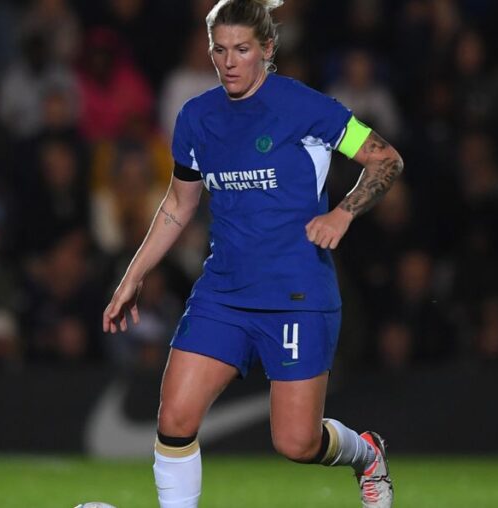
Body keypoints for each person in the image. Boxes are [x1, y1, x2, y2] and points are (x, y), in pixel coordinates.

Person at [102, 1, 403, 506]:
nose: (229, 62)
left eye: (242, 49)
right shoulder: (197, 118)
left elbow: (385, 159)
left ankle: (366, 453)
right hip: (224, 292)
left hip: (296, 293)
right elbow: (179, 204)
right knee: (175, 418)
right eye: (219, 51)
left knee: (297, 442)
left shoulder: (306, 108)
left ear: (267, 49)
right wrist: (134, 274)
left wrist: (343, 212)